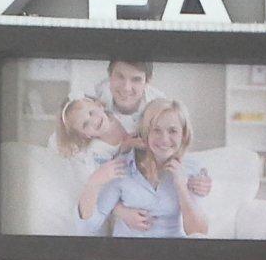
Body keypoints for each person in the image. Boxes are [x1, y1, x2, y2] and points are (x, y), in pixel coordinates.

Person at [83, 100, 209, 238]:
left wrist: (181, 186)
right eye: (156, 130)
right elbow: (90, 225)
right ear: (146, 133)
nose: (164, 139)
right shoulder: (122, 166)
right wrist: (93, 184)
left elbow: (198, 233)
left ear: (183, 134)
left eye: (173, 131)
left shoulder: (192, 168)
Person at [92, 59, 167, 134]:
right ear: (109, 75)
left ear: (147, 81)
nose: (126, 88)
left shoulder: (162, 108)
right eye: (120, 76)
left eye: (136, 79)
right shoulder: (94, 96)